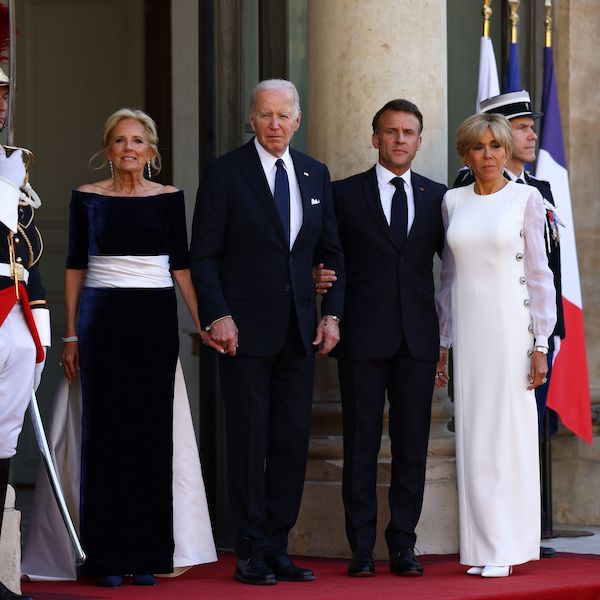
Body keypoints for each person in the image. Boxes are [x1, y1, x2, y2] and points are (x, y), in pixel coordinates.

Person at [190, 79, 345, 585]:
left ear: (298, 119)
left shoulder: (315, 174)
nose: (275, 124)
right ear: (251, 120)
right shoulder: (224, 173)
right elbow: (204, 254)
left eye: (284, 115)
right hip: (243, 333)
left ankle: (279, 545)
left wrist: (331, 314)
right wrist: (217, 314)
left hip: (300, 334)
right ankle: (250, 550)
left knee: (290, 443)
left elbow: (333, 254)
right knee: (249, 441)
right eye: (265, 115)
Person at [59, 108, 217, 588]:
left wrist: (203, 323)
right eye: (120, 141)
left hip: (153, 320)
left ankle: (147, 554)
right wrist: (70, 334)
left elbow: (182, 269)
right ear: (108, 149)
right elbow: (74, 268)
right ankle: (105, 557)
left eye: (137, 141)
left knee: (151, 435)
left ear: (151, 151)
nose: (129, 148)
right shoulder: (86, 199)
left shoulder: (169, 199)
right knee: (106, 435)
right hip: (101, 318)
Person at [323, 99, 446, 578]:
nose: (399, 140)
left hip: (417, 340)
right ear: (375, 139)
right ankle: (360, 546)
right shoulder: (343, 194)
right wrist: (319, 276)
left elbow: (455, 269)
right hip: (361, 338)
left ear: (419, 140)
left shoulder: (437, 197)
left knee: (412, 446)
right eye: (391, 131)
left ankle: (403, 545)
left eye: (409, 132)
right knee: (360, 444)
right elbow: (325, 254)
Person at [436, 113, 556, 577]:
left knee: (508, 439)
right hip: (469, 332)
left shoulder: (527, 197)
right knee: (473, 437)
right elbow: (448, 277)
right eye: (479, 147)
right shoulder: (451, 201)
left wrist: (540, 343)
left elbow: (540, 277)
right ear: (465, 153)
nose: (489, 155)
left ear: (508, 151)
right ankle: (483, 546)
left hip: (512, 331)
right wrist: (443, 342)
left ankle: (508, 546)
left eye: (497, 146)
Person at [0, 65, 50, 600]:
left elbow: (27, 251)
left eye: (2, 96)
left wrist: (39, 323)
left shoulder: (11, 167)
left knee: (2, 444)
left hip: (12, 312)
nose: (0, 106)